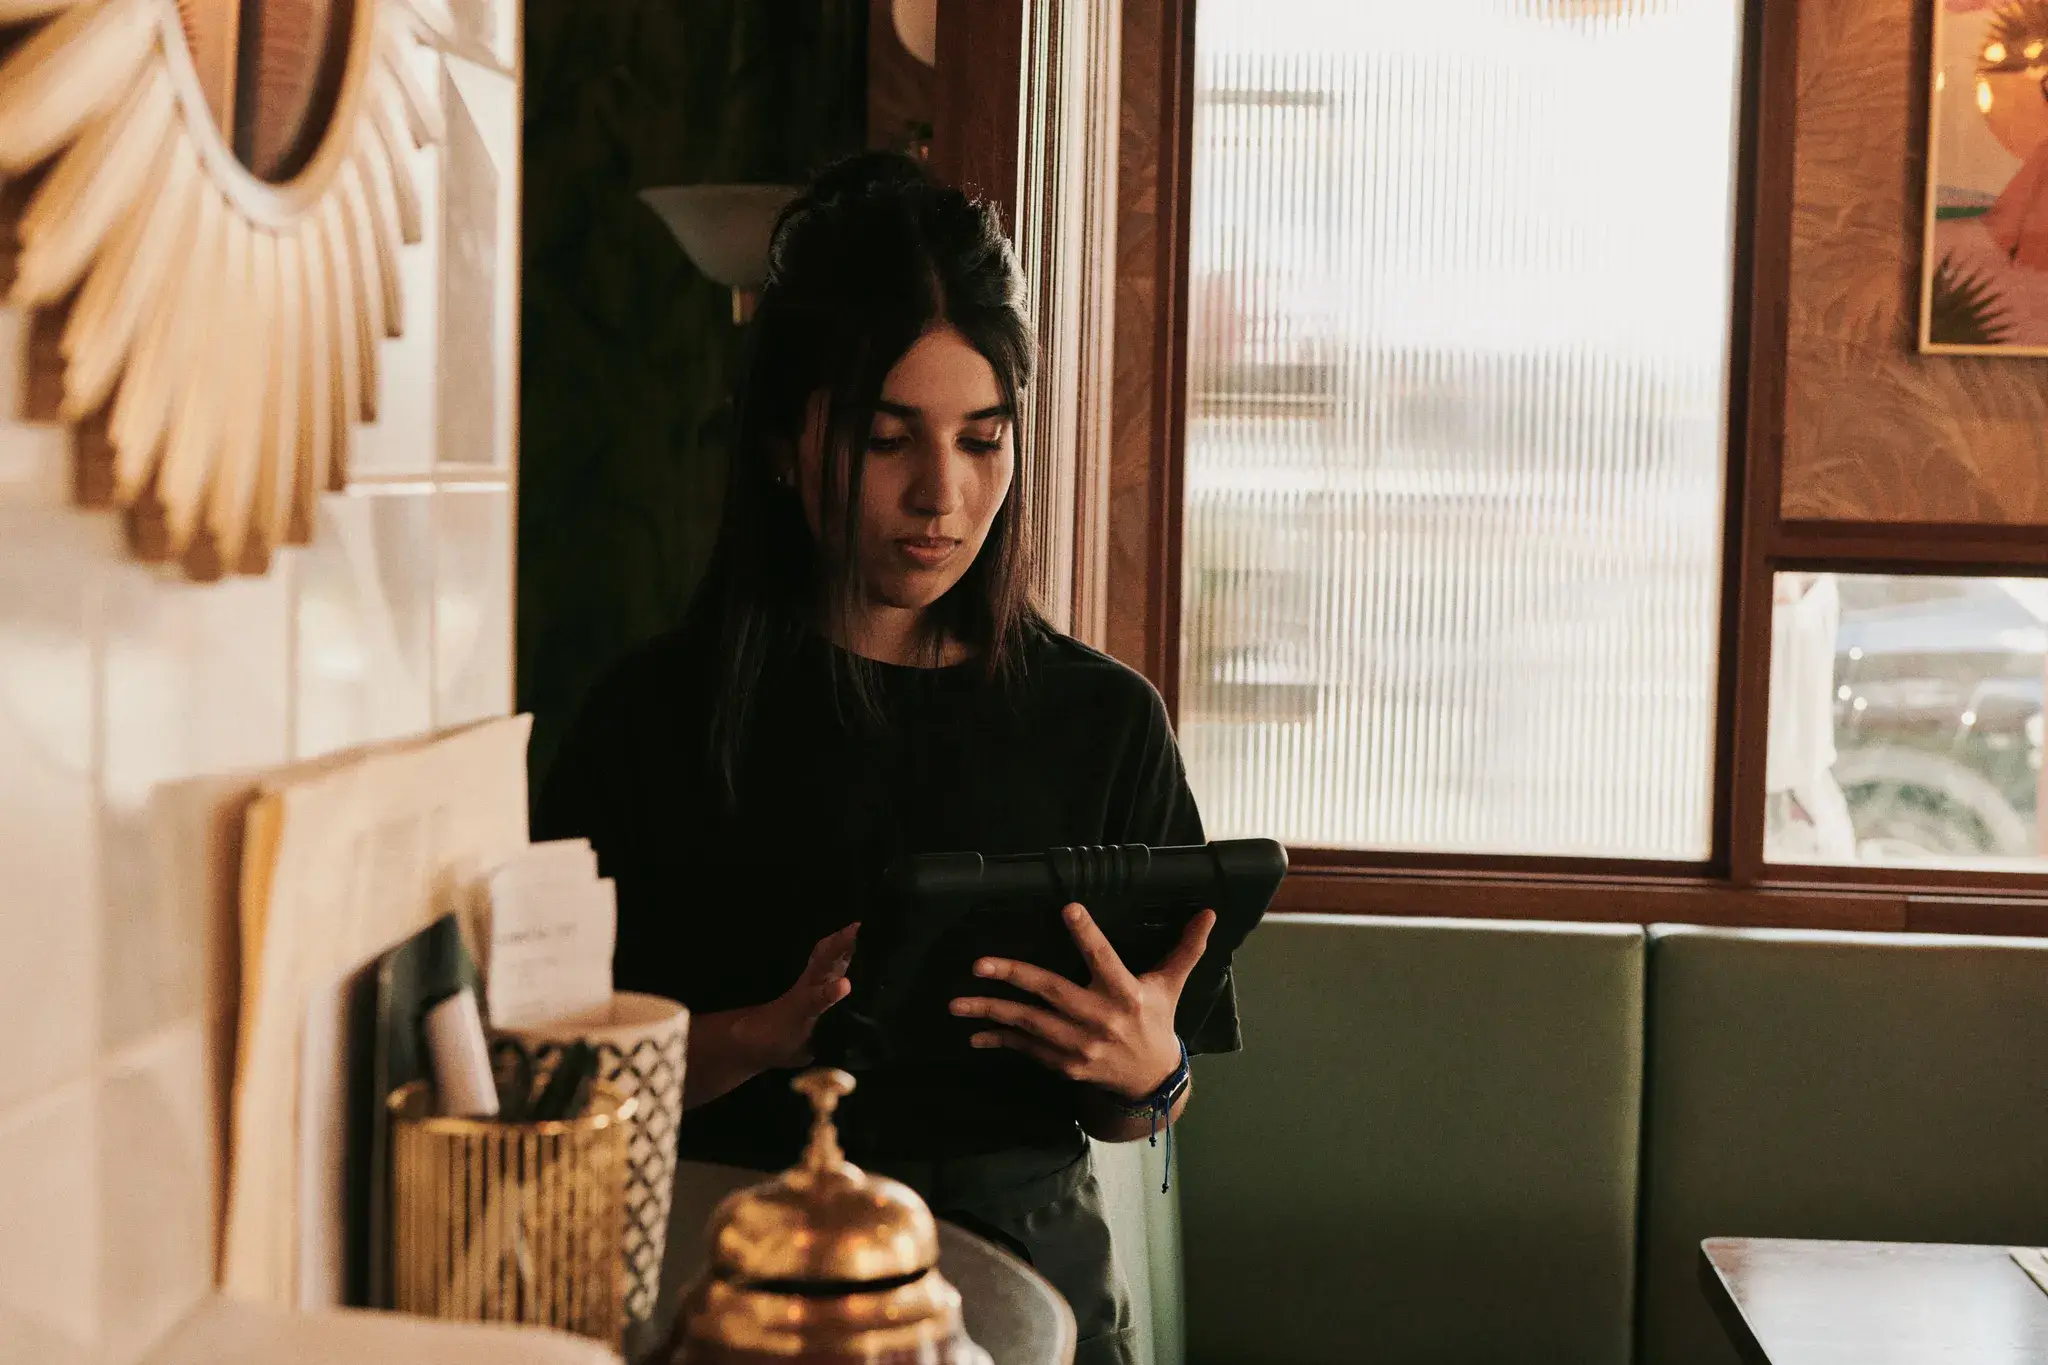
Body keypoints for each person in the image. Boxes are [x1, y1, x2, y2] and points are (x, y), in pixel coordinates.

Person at [534, 150, 1240, 1365]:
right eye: (886, 440)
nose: (941, 497)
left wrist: (1147, 1070)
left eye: (981, 440)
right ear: (782, 444)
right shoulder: (650, 718)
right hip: (733, 1268)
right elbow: (559, 1088)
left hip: (1031, 1273)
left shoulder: (1100, 719)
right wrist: (770, 1033)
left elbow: (1140, 1102)